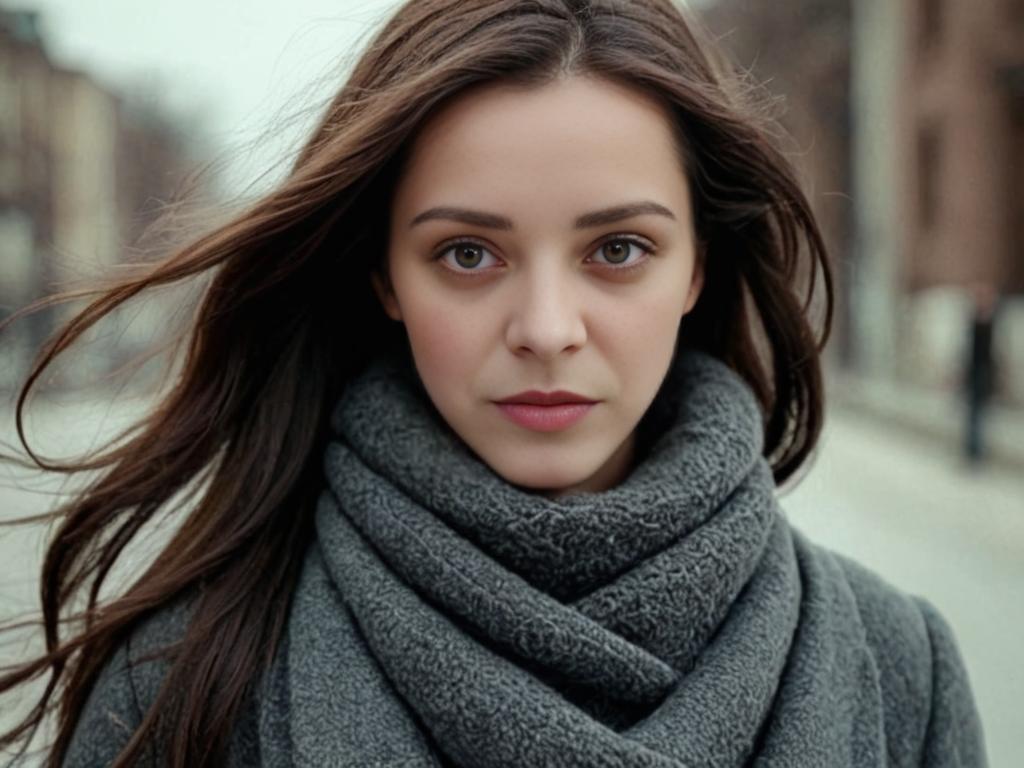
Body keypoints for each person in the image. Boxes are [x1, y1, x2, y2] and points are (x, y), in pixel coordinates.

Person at [0, 1, 986, 766]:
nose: (547, 330)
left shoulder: (897, 668)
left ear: (699, 267)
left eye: (618, 248)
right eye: (468, 254)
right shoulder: (183, 684)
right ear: (383, 274)